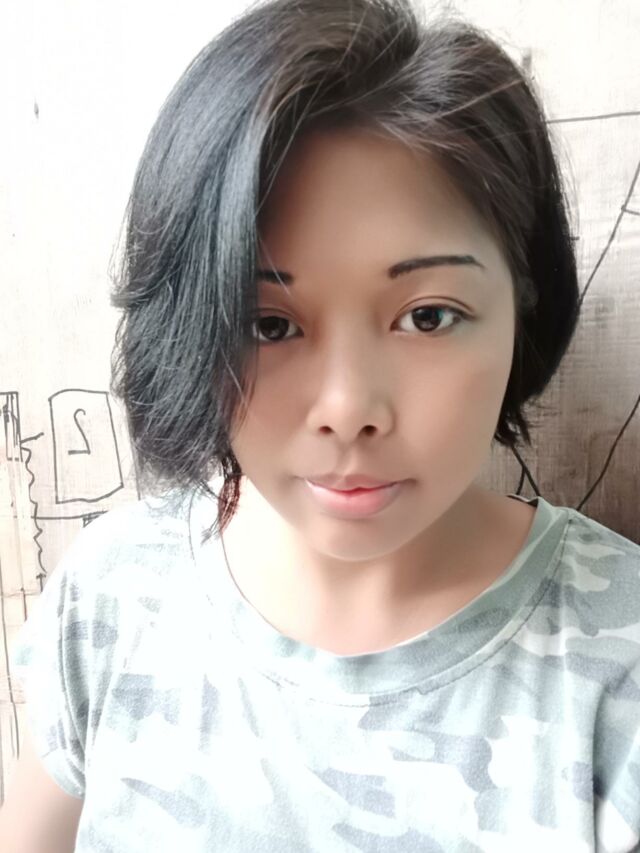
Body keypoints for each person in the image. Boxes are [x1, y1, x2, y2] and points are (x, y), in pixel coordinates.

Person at [2, 0, 639, 850]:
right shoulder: (111, 600)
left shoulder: (621, 658)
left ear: (524, 305)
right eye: (269, 324)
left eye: (428, 316)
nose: (348, 410)